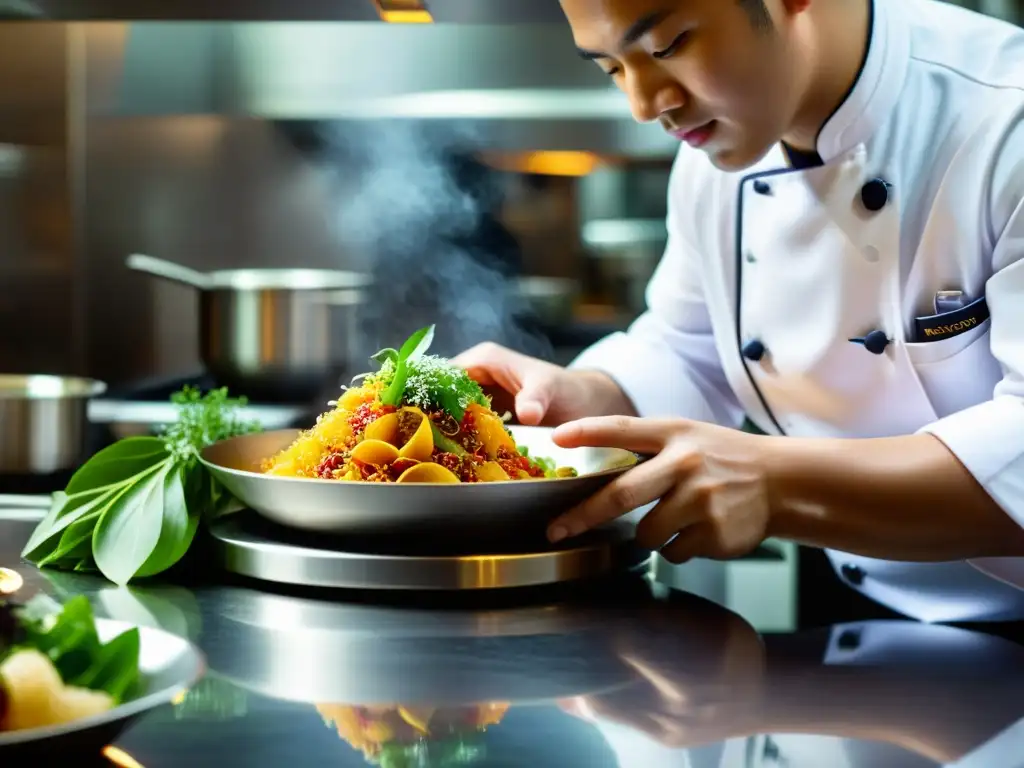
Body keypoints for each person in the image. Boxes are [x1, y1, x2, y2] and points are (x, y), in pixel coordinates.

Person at [454, 0, 1024, 623]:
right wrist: (582, 402)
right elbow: (689, 352)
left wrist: (778, 486)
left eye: (670, 46)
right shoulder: (719, 150)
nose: (645, 105)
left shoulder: (1004, 120)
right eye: (612, 68)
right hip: (868, 620)